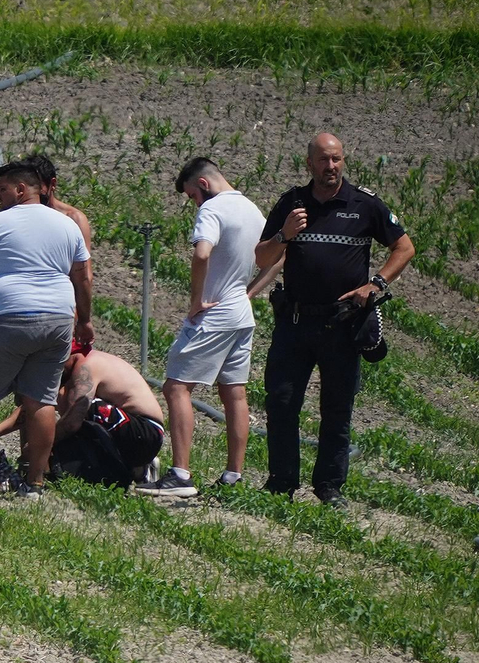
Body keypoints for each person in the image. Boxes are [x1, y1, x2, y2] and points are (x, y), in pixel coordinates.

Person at [255, 133, 415, 507]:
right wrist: (284, 234)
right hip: (295, 323)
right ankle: (281, 483)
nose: (331, 166)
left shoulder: (364, 205)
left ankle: (329, 487)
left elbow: (404, 247)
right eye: (324, 160)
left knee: (337, 409)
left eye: (337, 159)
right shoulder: (291, 203)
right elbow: (262, 258)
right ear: (309, 163)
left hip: (342, 325)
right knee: (281, 402)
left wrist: (376, 283)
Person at [0, 156, 93, 499]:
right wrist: (85, 320)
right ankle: (34, 484)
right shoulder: (68, 225)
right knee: (41, 400)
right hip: (57, 319)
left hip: (7, 316)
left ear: (22, 189)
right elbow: (83, 277)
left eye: (3, 189)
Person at [138, 158, 277, 498]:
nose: (194, 204)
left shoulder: (212, 210)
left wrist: (196, 301)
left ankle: (180, 475)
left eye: (192, 196)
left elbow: (201, 254)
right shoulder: (253, 210)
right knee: (234, 393)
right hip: (241, 314)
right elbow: (278, 257)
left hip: (214, 314)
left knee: (176, 387)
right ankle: (233, 475)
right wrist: (249, 293)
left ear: (202, 184)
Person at [50, 345, 166, 485]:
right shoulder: (92, 359)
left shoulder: (87, 365)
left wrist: (43, 444)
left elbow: (71, 424)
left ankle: (131, 465)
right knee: (73, 404)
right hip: (146, 430)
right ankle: (136, 469)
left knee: (74, 404)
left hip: (146, 431)